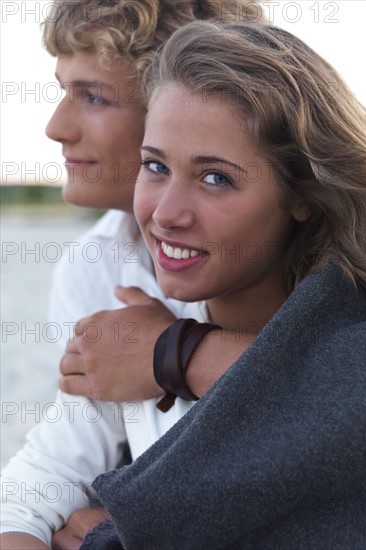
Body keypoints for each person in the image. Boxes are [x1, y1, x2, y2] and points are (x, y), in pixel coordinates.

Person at [73, 20, 366, 548]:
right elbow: (32, 485)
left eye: (215, 178)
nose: (165, 214)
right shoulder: (126, 323)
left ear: (303, 194)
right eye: (155, 165)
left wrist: (177, 353)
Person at [0, 2, 266, 549]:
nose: (55, 128)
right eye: (61, 89)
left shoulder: (348, 296)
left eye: (93, 96)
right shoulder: (93, 268)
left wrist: (173, 352)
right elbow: (57, 468)